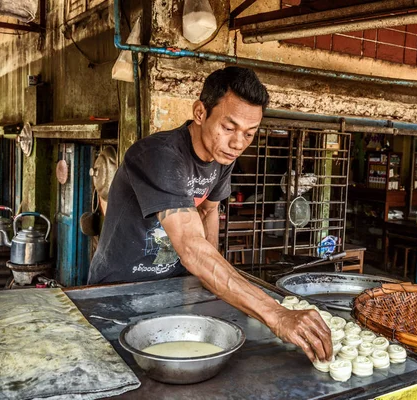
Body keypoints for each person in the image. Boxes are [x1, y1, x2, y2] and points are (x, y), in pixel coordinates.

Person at [87, 66, 332, 363]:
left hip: (172, 288)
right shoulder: (157, 155)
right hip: (118, 290)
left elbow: (210, 208)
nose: (238, 143)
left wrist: (207, 276)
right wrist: (277, 315)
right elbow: (190, 245)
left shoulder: (222, 157)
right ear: (201, 112)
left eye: (249, 134)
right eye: (229, 128)